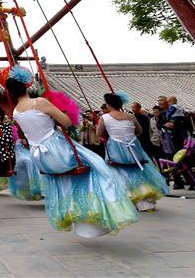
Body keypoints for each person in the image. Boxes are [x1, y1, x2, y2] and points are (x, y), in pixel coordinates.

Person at [9, 66, 138, 237]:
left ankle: (76, 217)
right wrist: (64, 111)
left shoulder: (16, 111)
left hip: (39, 156)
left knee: (65, 182)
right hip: (56, 148)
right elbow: (68, 122)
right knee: (97, 166)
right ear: (27, 85)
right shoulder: (39, 102)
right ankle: (99, 216)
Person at [98, 93, 169, 212]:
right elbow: (139, 130)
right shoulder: (130, 116)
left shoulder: (104, 118)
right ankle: (144, 202)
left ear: (109, 105)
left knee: (119, 172)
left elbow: (99, 134)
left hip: (116, 149)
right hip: (134, 147)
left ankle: (126, 201)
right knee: (138, 171)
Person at [8, 123, 44, 201]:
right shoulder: (7, 129)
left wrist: (23, 140)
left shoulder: (20, 127)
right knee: (27, 161)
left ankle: (38, 187)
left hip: (23, 150)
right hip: (14, 153)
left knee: (33, 161)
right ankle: (32, 188)